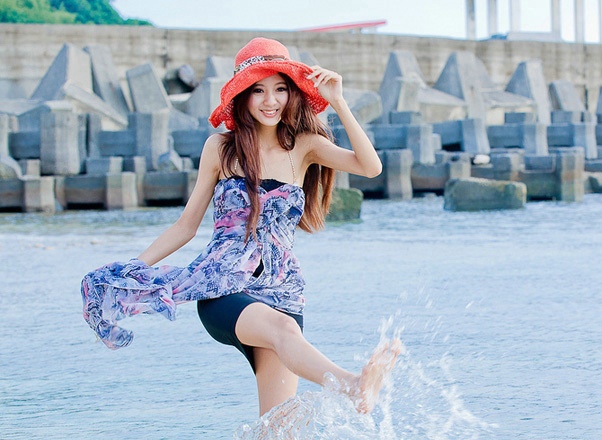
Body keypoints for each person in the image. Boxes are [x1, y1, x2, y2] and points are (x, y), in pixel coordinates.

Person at [81, 37, 400, 417]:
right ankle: (352, 386)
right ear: (243, 96)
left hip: (282, 290)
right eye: (259, 90)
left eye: (280, 89)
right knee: (284, 333)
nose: (271, 101)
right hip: (223, 287)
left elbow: (371, 167)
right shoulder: (221, 149)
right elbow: (185, 226)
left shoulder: (304, 146)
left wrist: (339, 102)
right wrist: (132, 269)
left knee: (281, 427)